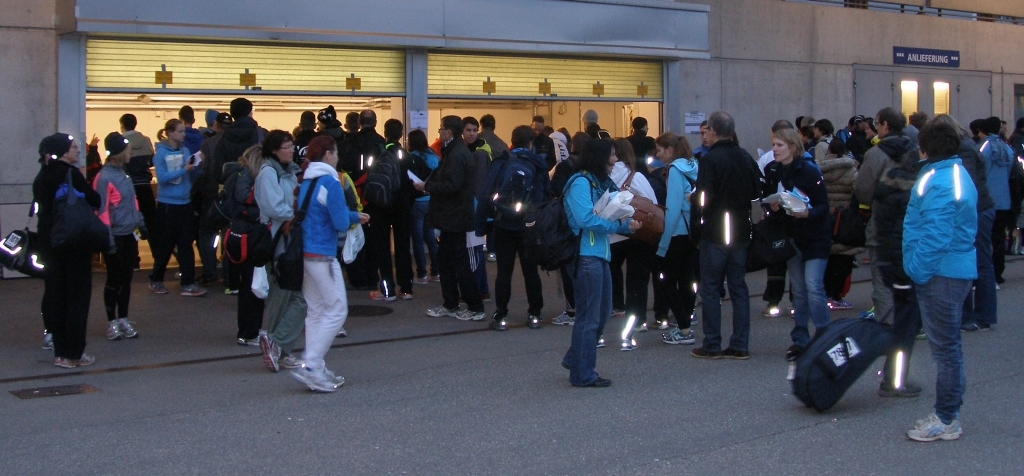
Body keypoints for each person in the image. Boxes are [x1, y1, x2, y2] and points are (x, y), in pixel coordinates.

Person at [903, 119, 978, 442]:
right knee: (949, 348)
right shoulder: (952, 173)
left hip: (941, 273)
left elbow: (936, 233)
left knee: (945, 350)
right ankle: (949, 414)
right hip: (950, 270)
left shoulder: (941, 180)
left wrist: (917, 269)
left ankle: (946, 417)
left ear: (926, 147)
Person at [290, 136, 370, 392]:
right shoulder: (331, 182)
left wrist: (350, 215)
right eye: (335, 153)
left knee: (315, 311)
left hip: (305, 252)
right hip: (323, 253)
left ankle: (315, 367)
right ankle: (312, 364)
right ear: (327, 154)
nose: (338, 157)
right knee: (336, 309)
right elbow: (338, 222)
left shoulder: (307, 181)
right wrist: (353, 217)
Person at [561, 139, 641, 387]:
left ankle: (576, 358)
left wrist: (628, 223)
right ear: (600, 157)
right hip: (585, 256)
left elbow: (606, 213)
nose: (615, 160)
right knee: (589, 316)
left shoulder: (600, 183)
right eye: (612, 156)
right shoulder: (581, 183)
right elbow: (585, 219)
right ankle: (583, 373)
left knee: (603, 311)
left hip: (598, 254)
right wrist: (618, 225)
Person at [690, 111, 762, 360]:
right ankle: (740, 343)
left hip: (715, 231)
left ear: (712, 131)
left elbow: (702, 198)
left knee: (710, 288)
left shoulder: (710, 160)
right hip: (741, 229)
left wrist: (695, 226)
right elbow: (756, 191)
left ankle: (712, 344)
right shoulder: (745, 156)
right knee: (738, 287)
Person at [33, 133, 102, 368]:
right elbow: (95, 199)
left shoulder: (42, 176)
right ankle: (74, 352)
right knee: (77, 298)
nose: (78, 150)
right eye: (74, 147)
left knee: (56, 295)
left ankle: (60, 352)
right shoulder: (70, 174)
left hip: (49, 243)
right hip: (73, 243)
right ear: (63, 151)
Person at [764, 128, 832, 361]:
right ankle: (800, 339)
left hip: (815, 237)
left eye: (779, 145)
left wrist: (808, 213)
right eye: (773, 145)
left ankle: (824, 337)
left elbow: (824, 205)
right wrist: (774, 206)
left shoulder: (809, 170)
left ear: (792, 147)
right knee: (799, 290)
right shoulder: (774, 171)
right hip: (792, 236)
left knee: (813, 286)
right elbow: (774, 199)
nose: (774, 149)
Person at [477, 125, 551, 331]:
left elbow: (486, 192)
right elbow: (545, 196)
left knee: (504, 272)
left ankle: (501, 315)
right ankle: (535, 313)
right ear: (530, 143)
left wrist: (481, 225)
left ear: (512, 141)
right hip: (529, 225)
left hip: (504, 224)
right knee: (531, 272)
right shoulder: (538, 165)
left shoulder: (502, 162)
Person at [929, 114, 996, 333]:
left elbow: (966, 185)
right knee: (969, 260)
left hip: (977, 210)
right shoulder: (965, 147)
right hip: (976, 208)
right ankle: (967, 314)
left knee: (980, 262)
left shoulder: (964, 149)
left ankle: (981, 315)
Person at [871, 126, 924, 398]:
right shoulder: (911, 191)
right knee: (906, 324)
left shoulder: (889, 180)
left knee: (904, 319)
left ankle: (893, 375)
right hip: (904, 263)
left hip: (889, 260)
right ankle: (894, 379)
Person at [418, 115, 486, 321]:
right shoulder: (455, 152)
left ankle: (474, 306)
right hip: (452, 216)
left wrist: (427, 186)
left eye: (441, 129)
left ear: (448, 132)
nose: (439, 133)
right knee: (447, 261)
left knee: (458, 262)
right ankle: (451, 302)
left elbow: (453, 185)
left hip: (454, 216)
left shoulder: (456, 154)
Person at [854, 107, 915, 324]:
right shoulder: (915, 150)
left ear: (886, 125)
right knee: (911, 277)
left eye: (877, 124)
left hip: (882, 223)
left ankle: (888, 327)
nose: (875, 127)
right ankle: (911, 324)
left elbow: (863, 189)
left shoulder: (876, 153)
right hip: (913, 224)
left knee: (882, 280)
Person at [255, 130, 307, 371]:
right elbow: (273, 206)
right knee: (282, 295)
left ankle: (277, 345)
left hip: (290, 237)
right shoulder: (268, 173)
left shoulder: (290, 172)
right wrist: (296, 216)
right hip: (278, 240)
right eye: (286, 146)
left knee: (296, 298)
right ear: (274, 150)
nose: (291, 150)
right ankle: (277, 345)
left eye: (292, 145)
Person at [94, 132, 146, 341]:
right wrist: (108, 240)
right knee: (114, 280)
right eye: (127, 150)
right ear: (117, 153)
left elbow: (133, 202)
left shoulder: (124, 175)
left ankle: (123, 318)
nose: (130, 153)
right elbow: (102, 210)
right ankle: (111, 322)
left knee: (126, 278)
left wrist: (140, 223)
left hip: (129, 234)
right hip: (115, 235)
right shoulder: (104, 177)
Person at [149, 119, 206, 297]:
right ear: (170, 133)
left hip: (185, 202)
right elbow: (163, 177)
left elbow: (190, 174)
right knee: (166, 244)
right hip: (168, 204)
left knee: (185, 243)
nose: (183, 134)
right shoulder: (160, 154)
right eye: (180, 131)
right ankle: (156, 278)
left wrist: (197, 165)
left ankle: (188, 282)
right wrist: (185, 170)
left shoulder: (185, 150)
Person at [608, 139, 658, 333]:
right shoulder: (636, 176)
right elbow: (652, 203)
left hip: (612, 233)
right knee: (637, 278)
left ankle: (614, 307)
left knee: (610, 273)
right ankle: (637, 320)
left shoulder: (602, 176)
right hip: (638, 233)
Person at [654, 133, 699, 345]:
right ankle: (687, 322)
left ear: (670, 150)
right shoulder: (694, 165)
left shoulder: (674, 170)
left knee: (668, 281)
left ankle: (683, 328)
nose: (657, 154)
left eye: (660, 150)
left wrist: (663, 242)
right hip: (693, 231)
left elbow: (672, 208)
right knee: (687, 280)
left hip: (677, 232)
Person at [366, 119, 414, 302]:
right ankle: (406, 289)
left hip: (379, 206)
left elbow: (368, 176)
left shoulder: (376, 152)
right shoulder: (405, 155)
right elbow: (412, 181)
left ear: (384, 132)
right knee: (402, 246)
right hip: (401, 205)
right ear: (401, 134)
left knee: (382, 248)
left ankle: (388, 291)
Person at [819, 138, 861, 310]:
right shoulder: (851, 170)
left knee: (825, 259)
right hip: (844, 220)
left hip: (824, 218)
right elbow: (859, 192)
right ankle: (836, 296)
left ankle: (823, 294)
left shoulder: (819, 169)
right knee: (843, 259)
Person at [196, 111, 234, 286]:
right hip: (232, 196)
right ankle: (229, 275)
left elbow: (204, 171)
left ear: (215, 125)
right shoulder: (236, 143)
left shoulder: (208, 144)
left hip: (212, 195)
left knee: (206, 233)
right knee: (230, 234)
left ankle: (210, 270)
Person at [977, 116, 1015, 286]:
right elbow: (1011, 168)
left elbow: (978, 167)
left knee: (984, 238)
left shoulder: (984, 147)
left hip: (986, 199)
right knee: (999, 237)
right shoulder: (1006, 148)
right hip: (1004, 199)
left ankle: (986, 272)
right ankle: (998, 271)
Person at [120, 113, 157, 255]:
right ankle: (157, 256)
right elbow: (152, 161)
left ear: (122, 125)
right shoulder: (146, 140)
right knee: (150, 222)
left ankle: (134, 259)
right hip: (145, 186)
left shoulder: (121, 142)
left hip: (129, 187)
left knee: (131, 222)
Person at [464, 117, 492, 302]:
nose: (472, 133)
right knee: (475, 251)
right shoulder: (480, 152)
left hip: (474, 210)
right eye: (469, 130)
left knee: (473, 252)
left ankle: (477, 293)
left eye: (474, 130)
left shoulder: (480, 154)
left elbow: (478, 186)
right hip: (476, 209)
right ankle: (481, 290)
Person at [406, 129, 440, 284]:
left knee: (418, 239)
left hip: (418, 201)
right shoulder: (434, 156)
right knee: (431, 237)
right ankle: (436, 272)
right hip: (432, 200)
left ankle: (421, 274)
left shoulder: (413, 158)